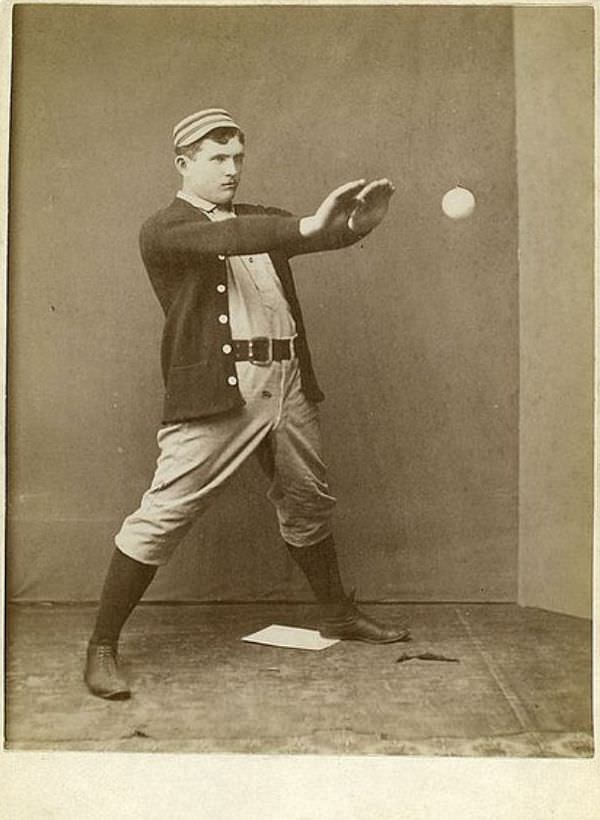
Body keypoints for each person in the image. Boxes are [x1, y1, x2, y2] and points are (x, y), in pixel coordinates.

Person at [84, 108, 409, 700]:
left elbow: (309, 233)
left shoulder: (257, 218)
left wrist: (359, 226)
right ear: (184, 165)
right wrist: (313, 224)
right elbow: (236, 237)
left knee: (308, 498)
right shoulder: (167, 227)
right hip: (222, 388)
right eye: (217, 158)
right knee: (164, 513)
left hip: (286, 378)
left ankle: (337, 613)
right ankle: (102, 645)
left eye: (238, 157)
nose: (232, 169)